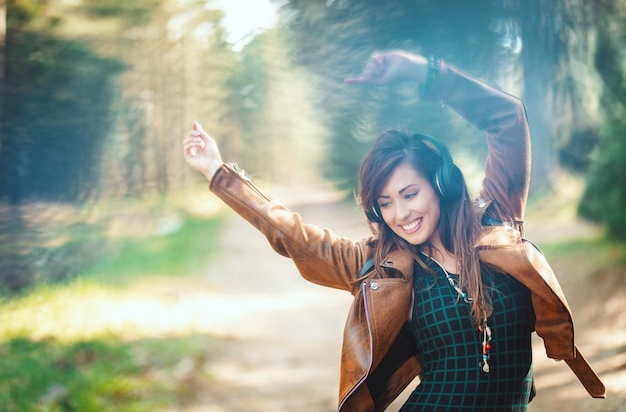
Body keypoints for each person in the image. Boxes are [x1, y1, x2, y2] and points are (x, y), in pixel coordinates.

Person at [183, 50, 605, 412]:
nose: (399, 213)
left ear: (441, 183)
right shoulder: (380, 265)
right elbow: (294, 235)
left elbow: (508, 119)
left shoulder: (497, 224)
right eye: (384, 203)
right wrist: (219, 172)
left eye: (409, 193)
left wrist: (423, 71)